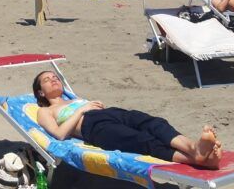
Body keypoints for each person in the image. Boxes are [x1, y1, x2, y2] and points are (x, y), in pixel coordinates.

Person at [33, 70, 222, 168]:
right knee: (142, 141)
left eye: (55, 76)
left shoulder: (73, 98)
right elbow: (59, 134)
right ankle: (198, 160)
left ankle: (194, 148)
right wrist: (82, 109)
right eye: (47, 79)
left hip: (112, 113)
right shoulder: (46, 110)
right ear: (41, 92)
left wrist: (86, 105)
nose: (54, 79)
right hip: (94, 127)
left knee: (153, 123)